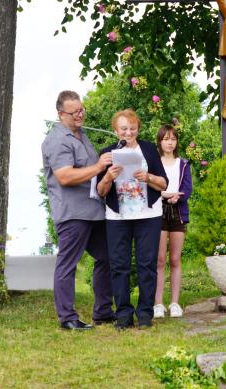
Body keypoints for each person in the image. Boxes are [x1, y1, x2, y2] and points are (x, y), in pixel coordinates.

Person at [41, 90, 114, 330]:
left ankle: (102, 312)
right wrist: (98, 165)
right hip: (73, 213)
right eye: (74, 113)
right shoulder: (57, 140)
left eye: (81, 110)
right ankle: (67, 318)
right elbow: (65, 176)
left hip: (94, 211)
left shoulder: (82, 136)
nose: (80, 115)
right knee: (68, 264)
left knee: (107, 256)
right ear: (61, 114)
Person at [96, 109, 168, 329]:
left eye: (132, 128)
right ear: (115, 130)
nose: (128, 133)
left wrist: (147, 177)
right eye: (124, 129)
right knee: (119, 265)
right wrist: (108, 176)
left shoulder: (148, 150)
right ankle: (124, 314)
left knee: (147, 264)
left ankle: (145, 314)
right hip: (118, 216)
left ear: (138, 128)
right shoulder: (107, 154)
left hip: (148, 214)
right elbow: (100, 191)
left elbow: (163, 184)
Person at [153, 125, 193, 319]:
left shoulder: (183, 163)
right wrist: (163, 195)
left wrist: (178, 198)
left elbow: (187, 188)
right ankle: (158, 303)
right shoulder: (154, 162)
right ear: (160, 141)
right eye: (166, 138)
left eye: (173, 139)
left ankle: (175, 303)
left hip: (178, 212)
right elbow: (149, 186)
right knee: (160, 260)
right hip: (158, 212)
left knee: (175, 259)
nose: (169, 142)